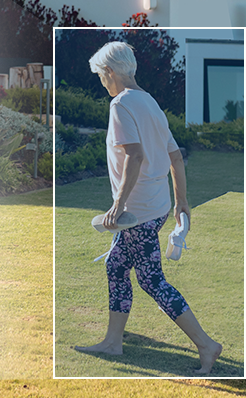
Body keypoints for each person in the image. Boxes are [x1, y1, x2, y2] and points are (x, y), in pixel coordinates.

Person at [73, 41, 221, 375]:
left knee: (152, 281)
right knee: (115, 265)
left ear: (110, 72)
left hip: (137, 212)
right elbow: (175, 156)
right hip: (156, 207)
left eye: (101, 75)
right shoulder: (150, 102)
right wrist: (182, 202)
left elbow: (135, 156)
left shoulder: (121, 105)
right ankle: (113, 341)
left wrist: (118, 206)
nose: (102, 82)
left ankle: (206, 345)